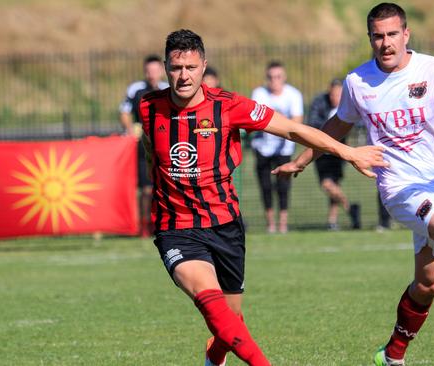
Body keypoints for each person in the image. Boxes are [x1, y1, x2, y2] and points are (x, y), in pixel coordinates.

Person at [139, 29, 386, 366]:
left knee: (230, 324)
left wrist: (348, 152)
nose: (183, 76)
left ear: (204, 66)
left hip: (225, 226)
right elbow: (150, 150)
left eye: (191, 68)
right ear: (166, 68)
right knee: (211, 304)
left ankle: (214, 359)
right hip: (177, 228)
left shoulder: (228, 106)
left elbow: (294, 130)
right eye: (176, 68)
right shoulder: (148, 106)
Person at [273, 3, 434, 365]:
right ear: (370, 39)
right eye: (378, 36)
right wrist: (300, 161)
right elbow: (336, 127)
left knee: (428, 283)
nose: (386, 43)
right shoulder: (358, 82)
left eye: (392, 34)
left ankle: (392, 354)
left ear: (406, 34)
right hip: (399, 189)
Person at [250, 61, 304, 233]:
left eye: (278, 77)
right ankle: (270, 224)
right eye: (271, 77)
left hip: (284, 148)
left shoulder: (293, 94)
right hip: (262, 147)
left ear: (284, 77)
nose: (275, 81)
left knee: (283, 186)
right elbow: (255, 120)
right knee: (265, 185)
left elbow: (297, 121)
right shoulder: (259, 93)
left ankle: (283, 223)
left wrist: (279, 129)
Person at [119, 54, 169, 237]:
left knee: (165, 186)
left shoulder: (169, 89)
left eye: (155, 70)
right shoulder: (136, 89)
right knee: (146, 188)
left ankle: (163, 223)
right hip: (143, 147)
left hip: (164, 145)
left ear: (162, 71)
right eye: (149, 71)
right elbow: (124, 112)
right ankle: (145, 226)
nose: (152, 74)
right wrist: (131, 128)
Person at [308, 78, 361, 230]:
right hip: (321, 152)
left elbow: (356, 123)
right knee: (327, 184)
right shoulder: (320, 103)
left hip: (338, 152)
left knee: (334, 184)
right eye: (332, 95)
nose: (334, 98)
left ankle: (332, 220)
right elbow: (313, 122)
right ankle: (350, 207)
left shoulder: (346, 106)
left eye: (338, 95)